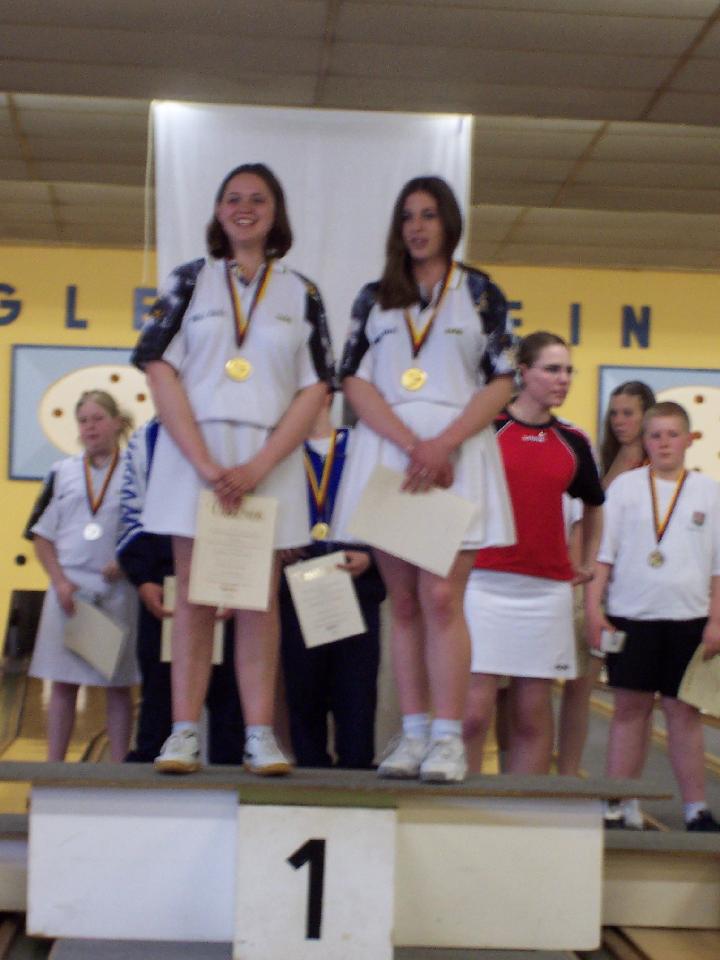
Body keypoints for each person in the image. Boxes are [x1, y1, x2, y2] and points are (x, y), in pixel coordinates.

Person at [132, 163, 335, 775]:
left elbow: (316, 386)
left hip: (268, 458)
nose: (244, 208)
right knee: (195, 594)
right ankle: (183, 732)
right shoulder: (188, 280)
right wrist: (204, 461)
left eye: (258, 199)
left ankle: (258, 735)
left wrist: (260, 464)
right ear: (219, 212)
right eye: (233, 198)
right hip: (193, 454)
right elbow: (159, 367)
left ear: (276, 214)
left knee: (258, 600)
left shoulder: (302, 292)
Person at [334, 175, 517, 783]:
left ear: (449, 223)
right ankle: (412, 733)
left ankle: (447, 738)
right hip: (392, 453)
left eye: (429, 215)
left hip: (455, 457)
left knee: (442, 597)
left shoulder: (481, 291)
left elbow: (502, 379)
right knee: (405, 602)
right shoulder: (374, 297)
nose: (417, 226)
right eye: (408, 216)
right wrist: (413, 445)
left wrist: (443, 444)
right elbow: (352, 378)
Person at [463, 332, 604, 775]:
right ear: (523, 372)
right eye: (552, 369)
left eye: (568, 370)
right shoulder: (488, 428)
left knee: (531, 714)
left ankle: (525, 804)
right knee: (473, 713)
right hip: (484, 583)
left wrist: (586, 562)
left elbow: (595, 504)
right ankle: (457, 804)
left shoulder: (573, 440)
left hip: (547, 591)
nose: (563, 379)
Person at [586, 401, 720, 832]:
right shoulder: (625, 488)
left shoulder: (710, 493)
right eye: (655, 435)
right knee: (629, 710)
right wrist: (593, 608)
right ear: (644, 441)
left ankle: (696, 808)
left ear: (689, 440)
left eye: (672, 434)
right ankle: (617, 801)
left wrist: (716, 621)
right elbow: (602, 557)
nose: (664, 443)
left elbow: (718, 568)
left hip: (689, 620)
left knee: (684, 715)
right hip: (631, 617)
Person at [116, 417, 245, 764]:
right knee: (159, 688)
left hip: (229, 576)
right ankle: (153, 769)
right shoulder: (148, 437)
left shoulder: (235, 426)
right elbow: (131, 510)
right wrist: (144, 577)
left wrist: (239, 578)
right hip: (165, 584)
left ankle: (231, 775)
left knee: (230, 695)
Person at [25, 389, 139, 762]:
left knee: (118, 684)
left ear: (117, 422)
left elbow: (147, 529)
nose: (90, 427)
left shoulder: (136, 471)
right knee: (63, 682)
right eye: (83, 420)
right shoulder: (62, 472)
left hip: (116, 590)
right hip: (69, 592)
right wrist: (59, 581)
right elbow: (41, 535)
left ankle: (119, 769)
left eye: (98, 419)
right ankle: (54, 766)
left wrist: (127, 560)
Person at [279, 391, 386, 769]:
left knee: (356, 690)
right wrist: (277, 545)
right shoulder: (279, 451)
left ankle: (356, 772)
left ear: (325, 396)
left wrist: (373, 556)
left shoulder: (362, 446)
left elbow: (389, 505)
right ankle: (309, 774)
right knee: (302, 689)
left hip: (354, 578)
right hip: (298, 580)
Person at [557, 380, 656, 778]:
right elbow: (586, 522)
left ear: (647, 415)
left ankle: (625, 784)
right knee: (577, 686)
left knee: (633, 696)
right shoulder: (603, 460)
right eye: (614, 413)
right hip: (593, 584)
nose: (619, 421)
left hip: (630, 589)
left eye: (628, 413)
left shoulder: (653, 470)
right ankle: (568, 775)